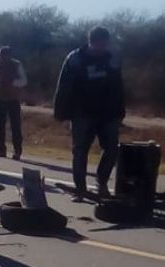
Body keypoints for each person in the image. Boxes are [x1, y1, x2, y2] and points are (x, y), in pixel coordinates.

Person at [54, 26, 126, 202]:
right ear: (91, 42)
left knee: (111, 149)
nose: (102, 47)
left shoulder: (112, 60)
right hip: (82, 113)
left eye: (105, 44)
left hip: (108, 113)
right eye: (99, 44)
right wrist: (61, 110)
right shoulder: (75, 59)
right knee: (80, 151)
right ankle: (80, 188)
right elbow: (63, 86)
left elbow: (119, 87)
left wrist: (120, 111)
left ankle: (101, 183)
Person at [0, 46, 27, 160]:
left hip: (13, 99)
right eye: (1, 55)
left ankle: (17, 151)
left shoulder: (17, 65)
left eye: (6, 55)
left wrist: (12, 82)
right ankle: (1, 149)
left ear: (10, 55)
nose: (3, 57)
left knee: (16, 126)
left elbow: (24, 80)